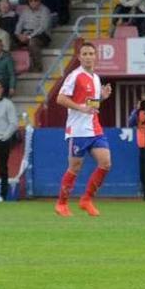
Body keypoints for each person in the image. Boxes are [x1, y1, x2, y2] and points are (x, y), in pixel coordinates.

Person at [55, 42, 113, 217]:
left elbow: (89, 104)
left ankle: (86, 199)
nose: (88, 56)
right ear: (79, 57)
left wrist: (101, 98)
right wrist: (81, 108)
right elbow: (60, 98)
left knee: (106, 163)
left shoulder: (95, 78)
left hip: (94, 128)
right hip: (78, 130)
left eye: (91, 53)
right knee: (75, 168)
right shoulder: (75, 76)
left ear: (95, 56)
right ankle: (61, 203)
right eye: (84, 54)